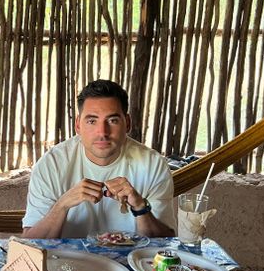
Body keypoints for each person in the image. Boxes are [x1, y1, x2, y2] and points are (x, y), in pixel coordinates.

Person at [22, 79, 176, 239]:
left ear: (128, 123)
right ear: (78, 125)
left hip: (131, 261)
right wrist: (62, 205)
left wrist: (140, 207)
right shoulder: (52, 164)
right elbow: (30, 241)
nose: (102, 132)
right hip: (67, 262)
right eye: (92, 121)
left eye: (112, 120)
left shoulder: (154, 165)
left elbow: (165, 242)